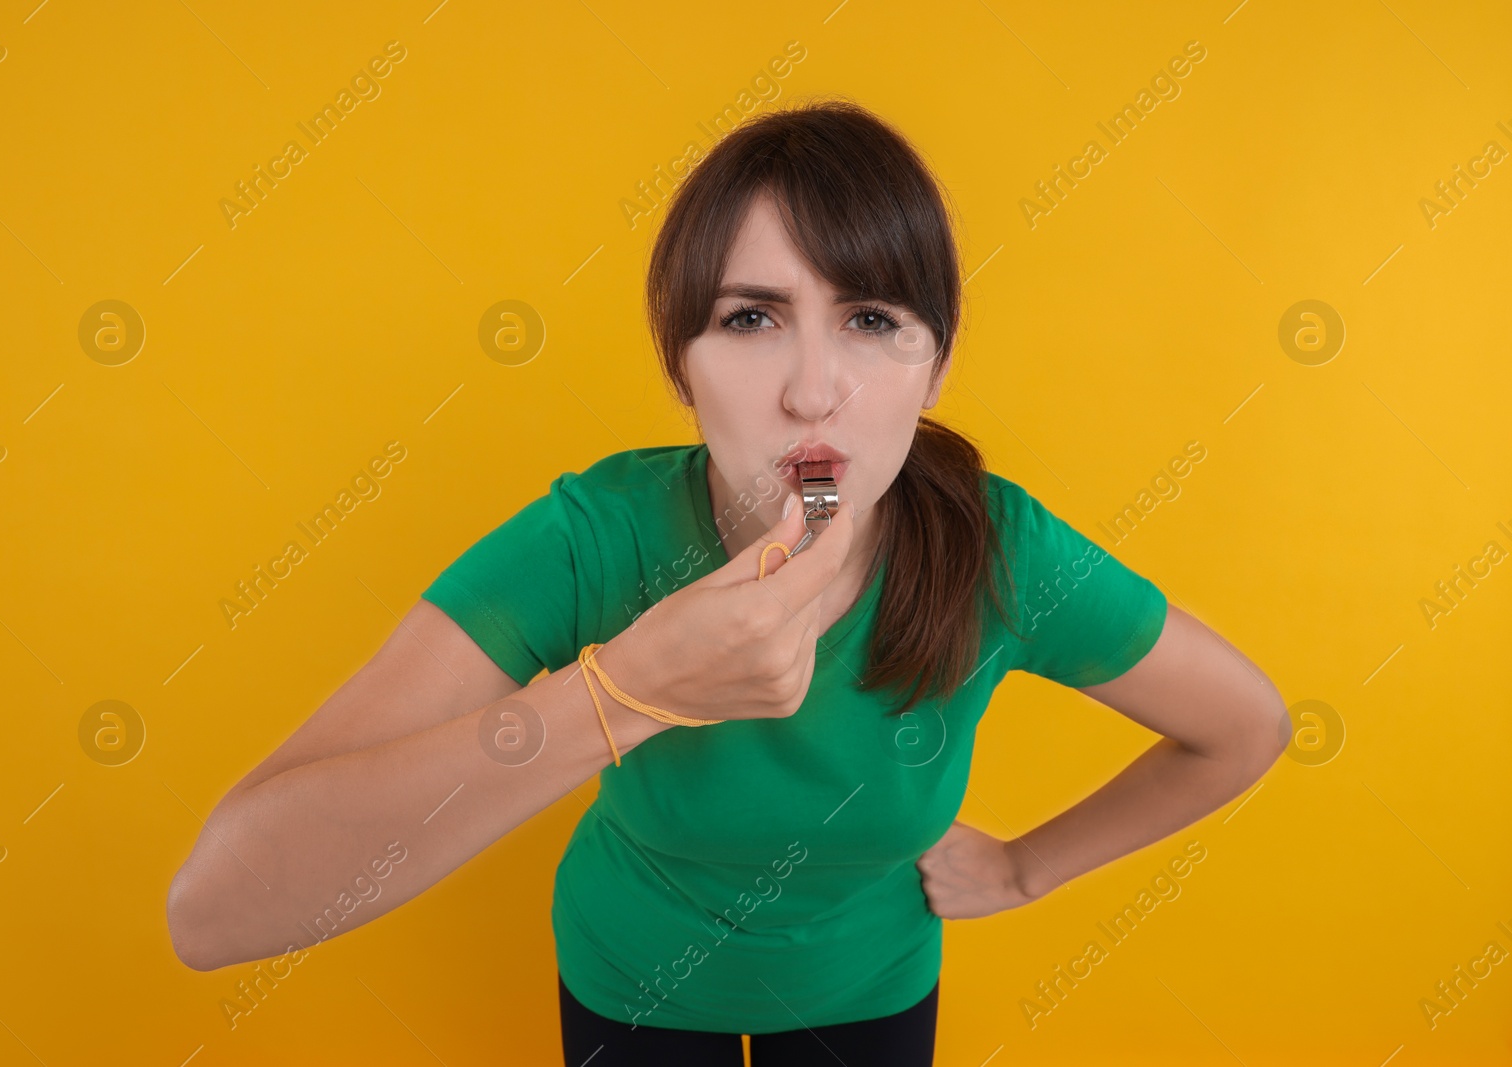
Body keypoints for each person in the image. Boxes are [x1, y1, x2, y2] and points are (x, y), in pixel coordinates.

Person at [166, 98, 1290, 1066]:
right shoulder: (589, 539)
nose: (813, 390)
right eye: (750, 318)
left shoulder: (1003, 553)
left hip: (869, 986)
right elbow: (213, 909)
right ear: (679, 364)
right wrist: (624, 690)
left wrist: (1026, 868)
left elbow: (1243, 726)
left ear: (933, 366)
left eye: (871, 320)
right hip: (629, 976)